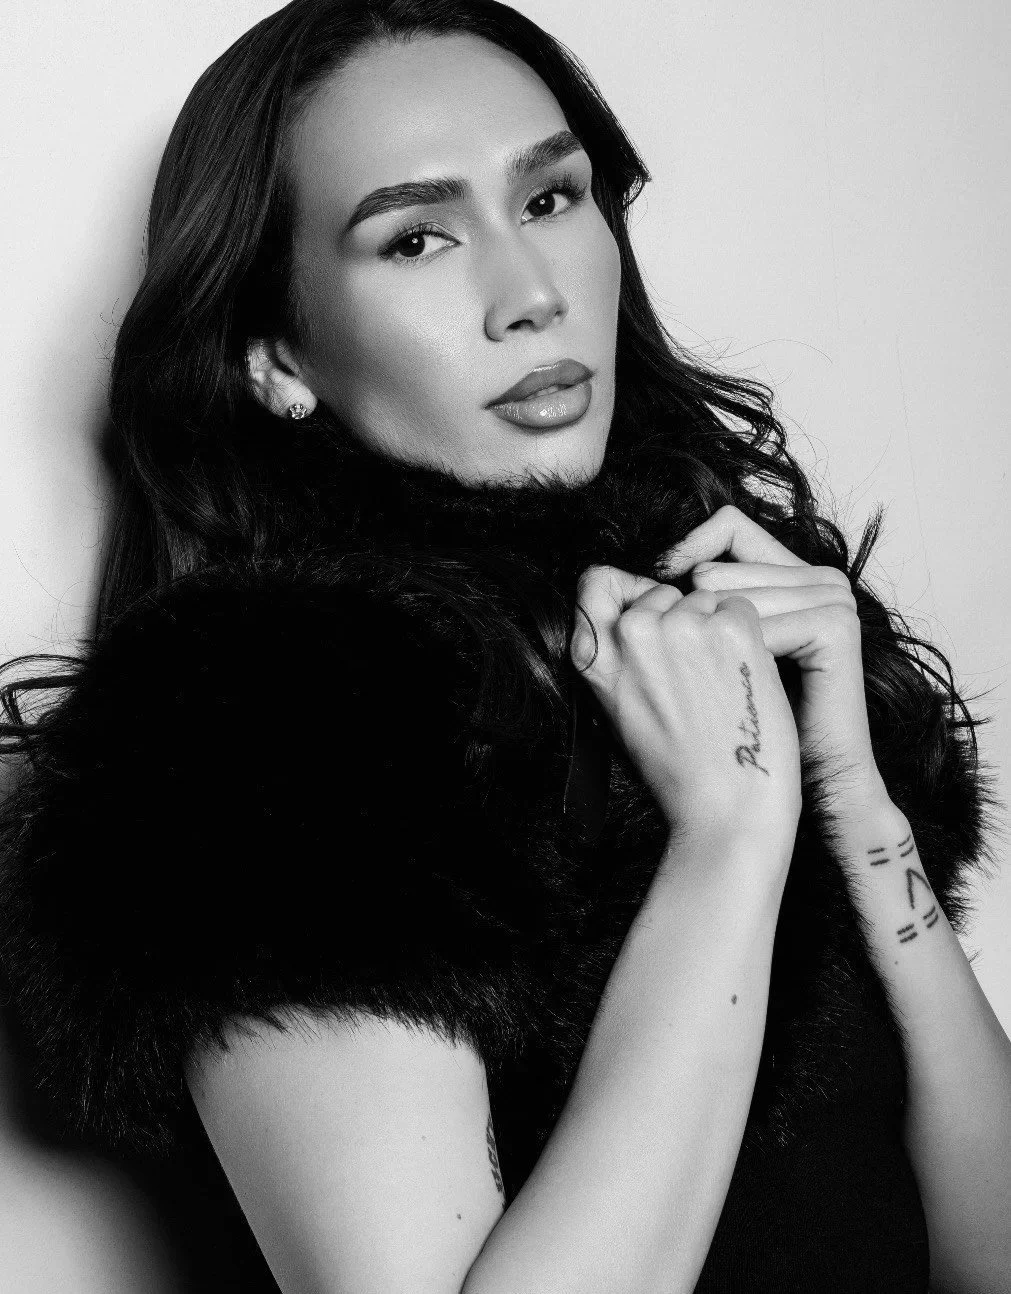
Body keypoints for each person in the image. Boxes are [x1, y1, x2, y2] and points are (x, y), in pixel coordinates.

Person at [0, 1, 1008, 1291]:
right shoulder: (257, 736)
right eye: (417, 238)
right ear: (274, 356)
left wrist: (853, 795)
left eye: (549, 199)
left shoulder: (703, 630)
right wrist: (726, 845)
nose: (532, 296)